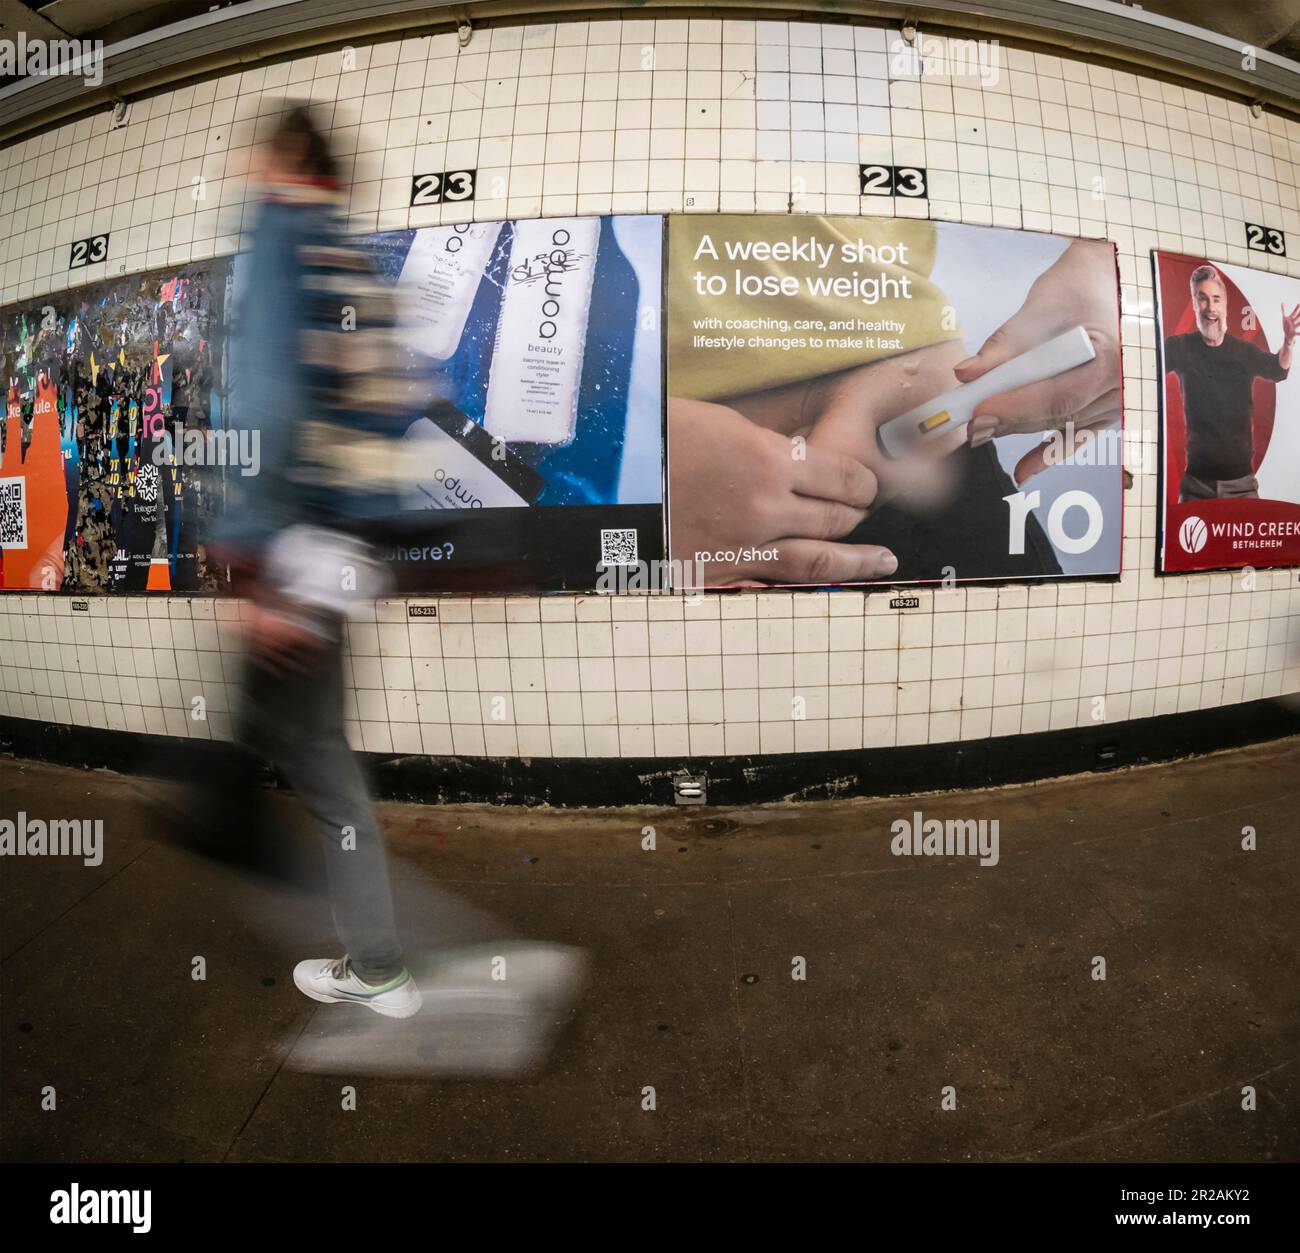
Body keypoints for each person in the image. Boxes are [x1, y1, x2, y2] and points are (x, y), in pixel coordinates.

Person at [212, 102, 422, 1019]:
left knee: (304, 758)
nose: (243, 171)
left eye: (255, 154)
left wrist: (257, 569)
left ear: (287, 159)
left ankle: (376, 960)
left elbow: (261, 407)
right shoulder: (358, 264)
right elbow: (399, 405)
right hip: (350, 549)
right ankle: (373, 954)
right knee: (316, 751)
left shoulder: (283, 237)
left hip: (295, 548)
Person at [1162, 263, 1299, 501]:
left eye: (1216, 299)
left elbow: (1278, 369)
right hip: (1196, 486)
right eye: (1202, 299)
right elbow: (1147, 364)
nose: (1210, 308)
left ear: (1225, 306)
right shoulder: (1180, 347)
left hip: (1242, 487)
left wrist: (1288, 343)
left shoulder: (1243, 351)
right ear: (1194, 304)